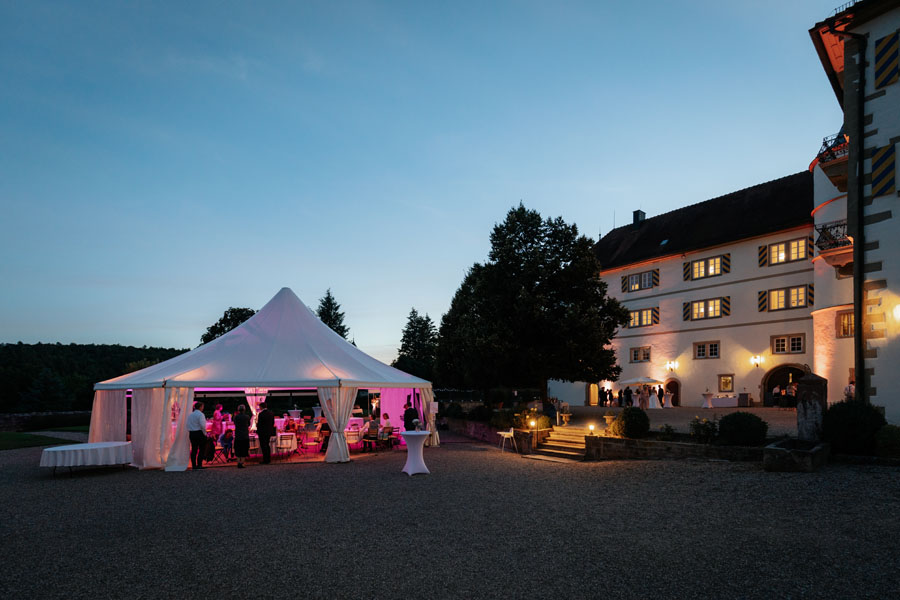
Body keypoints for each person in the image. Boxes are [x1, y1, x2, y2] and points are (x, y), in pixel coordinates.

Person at [187, 401, 207, 470]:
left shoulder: (190, 415)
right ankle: (199, 464)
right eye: (202, 407)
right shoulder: (201, 415)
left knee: (194, 449)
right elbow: (203, 425)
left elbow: (188, 424)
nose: (203, 408)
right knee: (201, 449)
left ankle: (194, 465)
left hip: (192, 433)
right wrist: (205, 433)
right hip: (199, 433)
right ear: (200, 407)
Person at [233, 404, 250, 469]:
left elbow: (235, 423)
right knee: (244, 449)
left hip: (238, 435)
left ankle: (238, 462)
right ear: (244, 409)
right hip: (245, 435)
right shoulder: (247, 417)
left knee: (238, 449)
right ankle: (242, 462)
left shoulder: (236, 417)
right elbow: (248, 424)